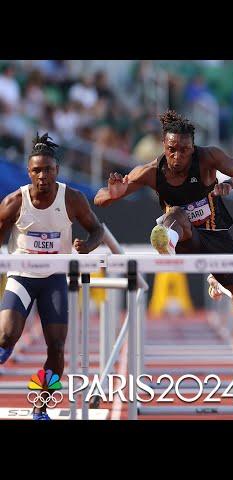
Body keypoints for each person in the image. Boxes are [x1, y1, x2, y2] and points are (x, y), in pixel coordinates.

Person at [94, 110, 233, 314]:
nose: (177, 156)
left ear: (193, 148)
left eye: (184, 150)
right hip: (184, 239)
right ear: (164, 146)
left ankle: (218, 282)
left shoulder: (207, 157)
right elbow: (99, 199)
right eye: (172, 149)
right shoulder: (151, 172)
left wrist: (230, 183)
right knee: (175, 214)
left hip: (216, 237)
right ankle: (166, 243)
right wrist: (113, 194)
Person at [0, 133, 104, 420]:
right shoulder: (14, 201)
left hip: (54, 278)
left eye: (48, 170)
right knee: (7, 335)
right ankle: (4, 350)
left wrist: (87, 245)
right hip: (21, 275)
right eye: (36, 170)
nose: (42, 176)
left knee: (57, 347)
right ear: (29, 172)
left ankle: (40, 404)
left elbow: (97, 229)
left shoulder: (71, 198)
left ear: (57, 171)